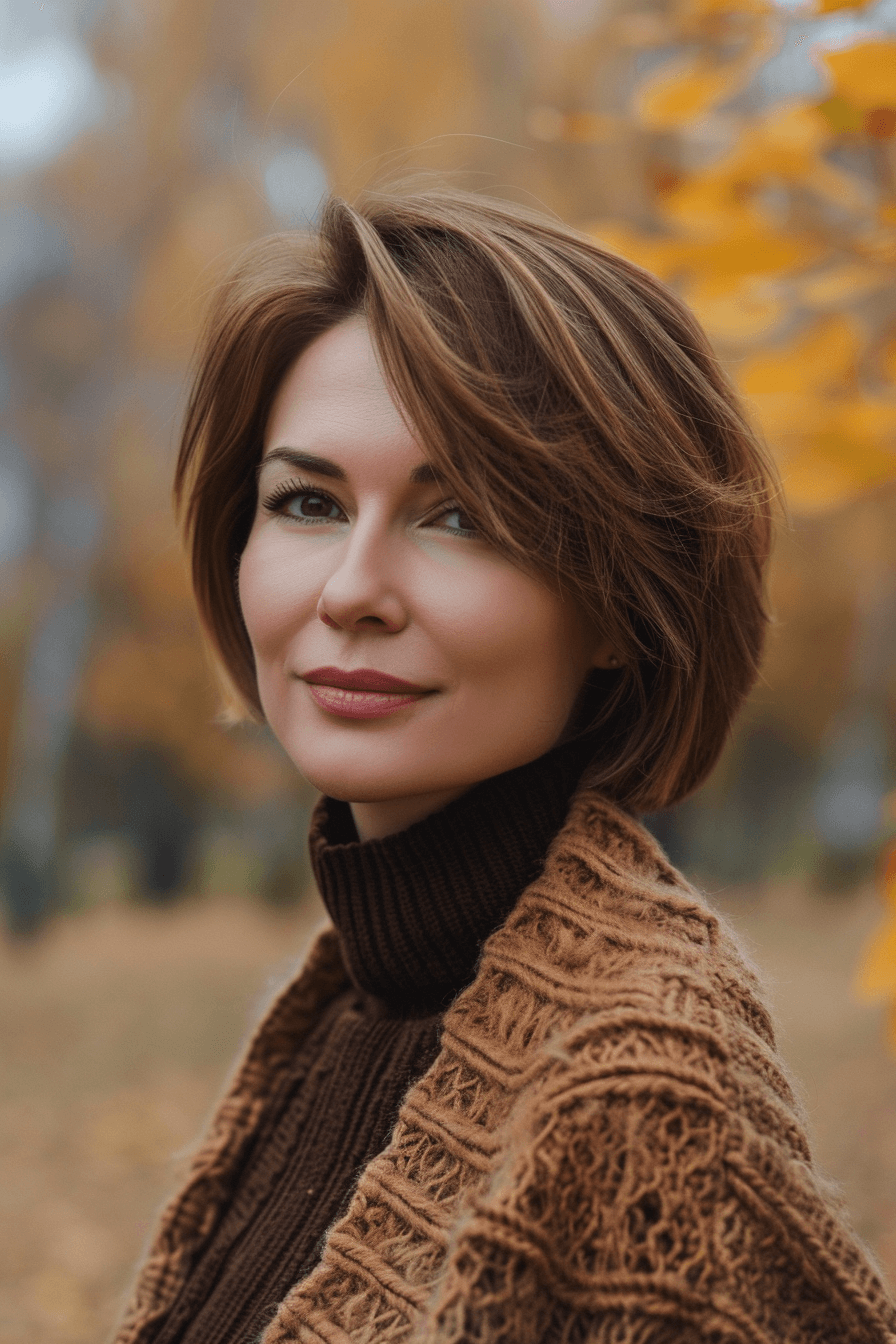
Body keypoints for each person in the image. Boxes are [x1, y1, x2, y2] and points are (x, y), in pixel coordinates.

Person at [113, 189, 896, 1344]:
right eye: (308, 503)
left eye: (461, 518)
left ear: (619, 607)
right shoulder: (348, 1005)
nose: (351, 591)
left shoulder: (639, 1088)